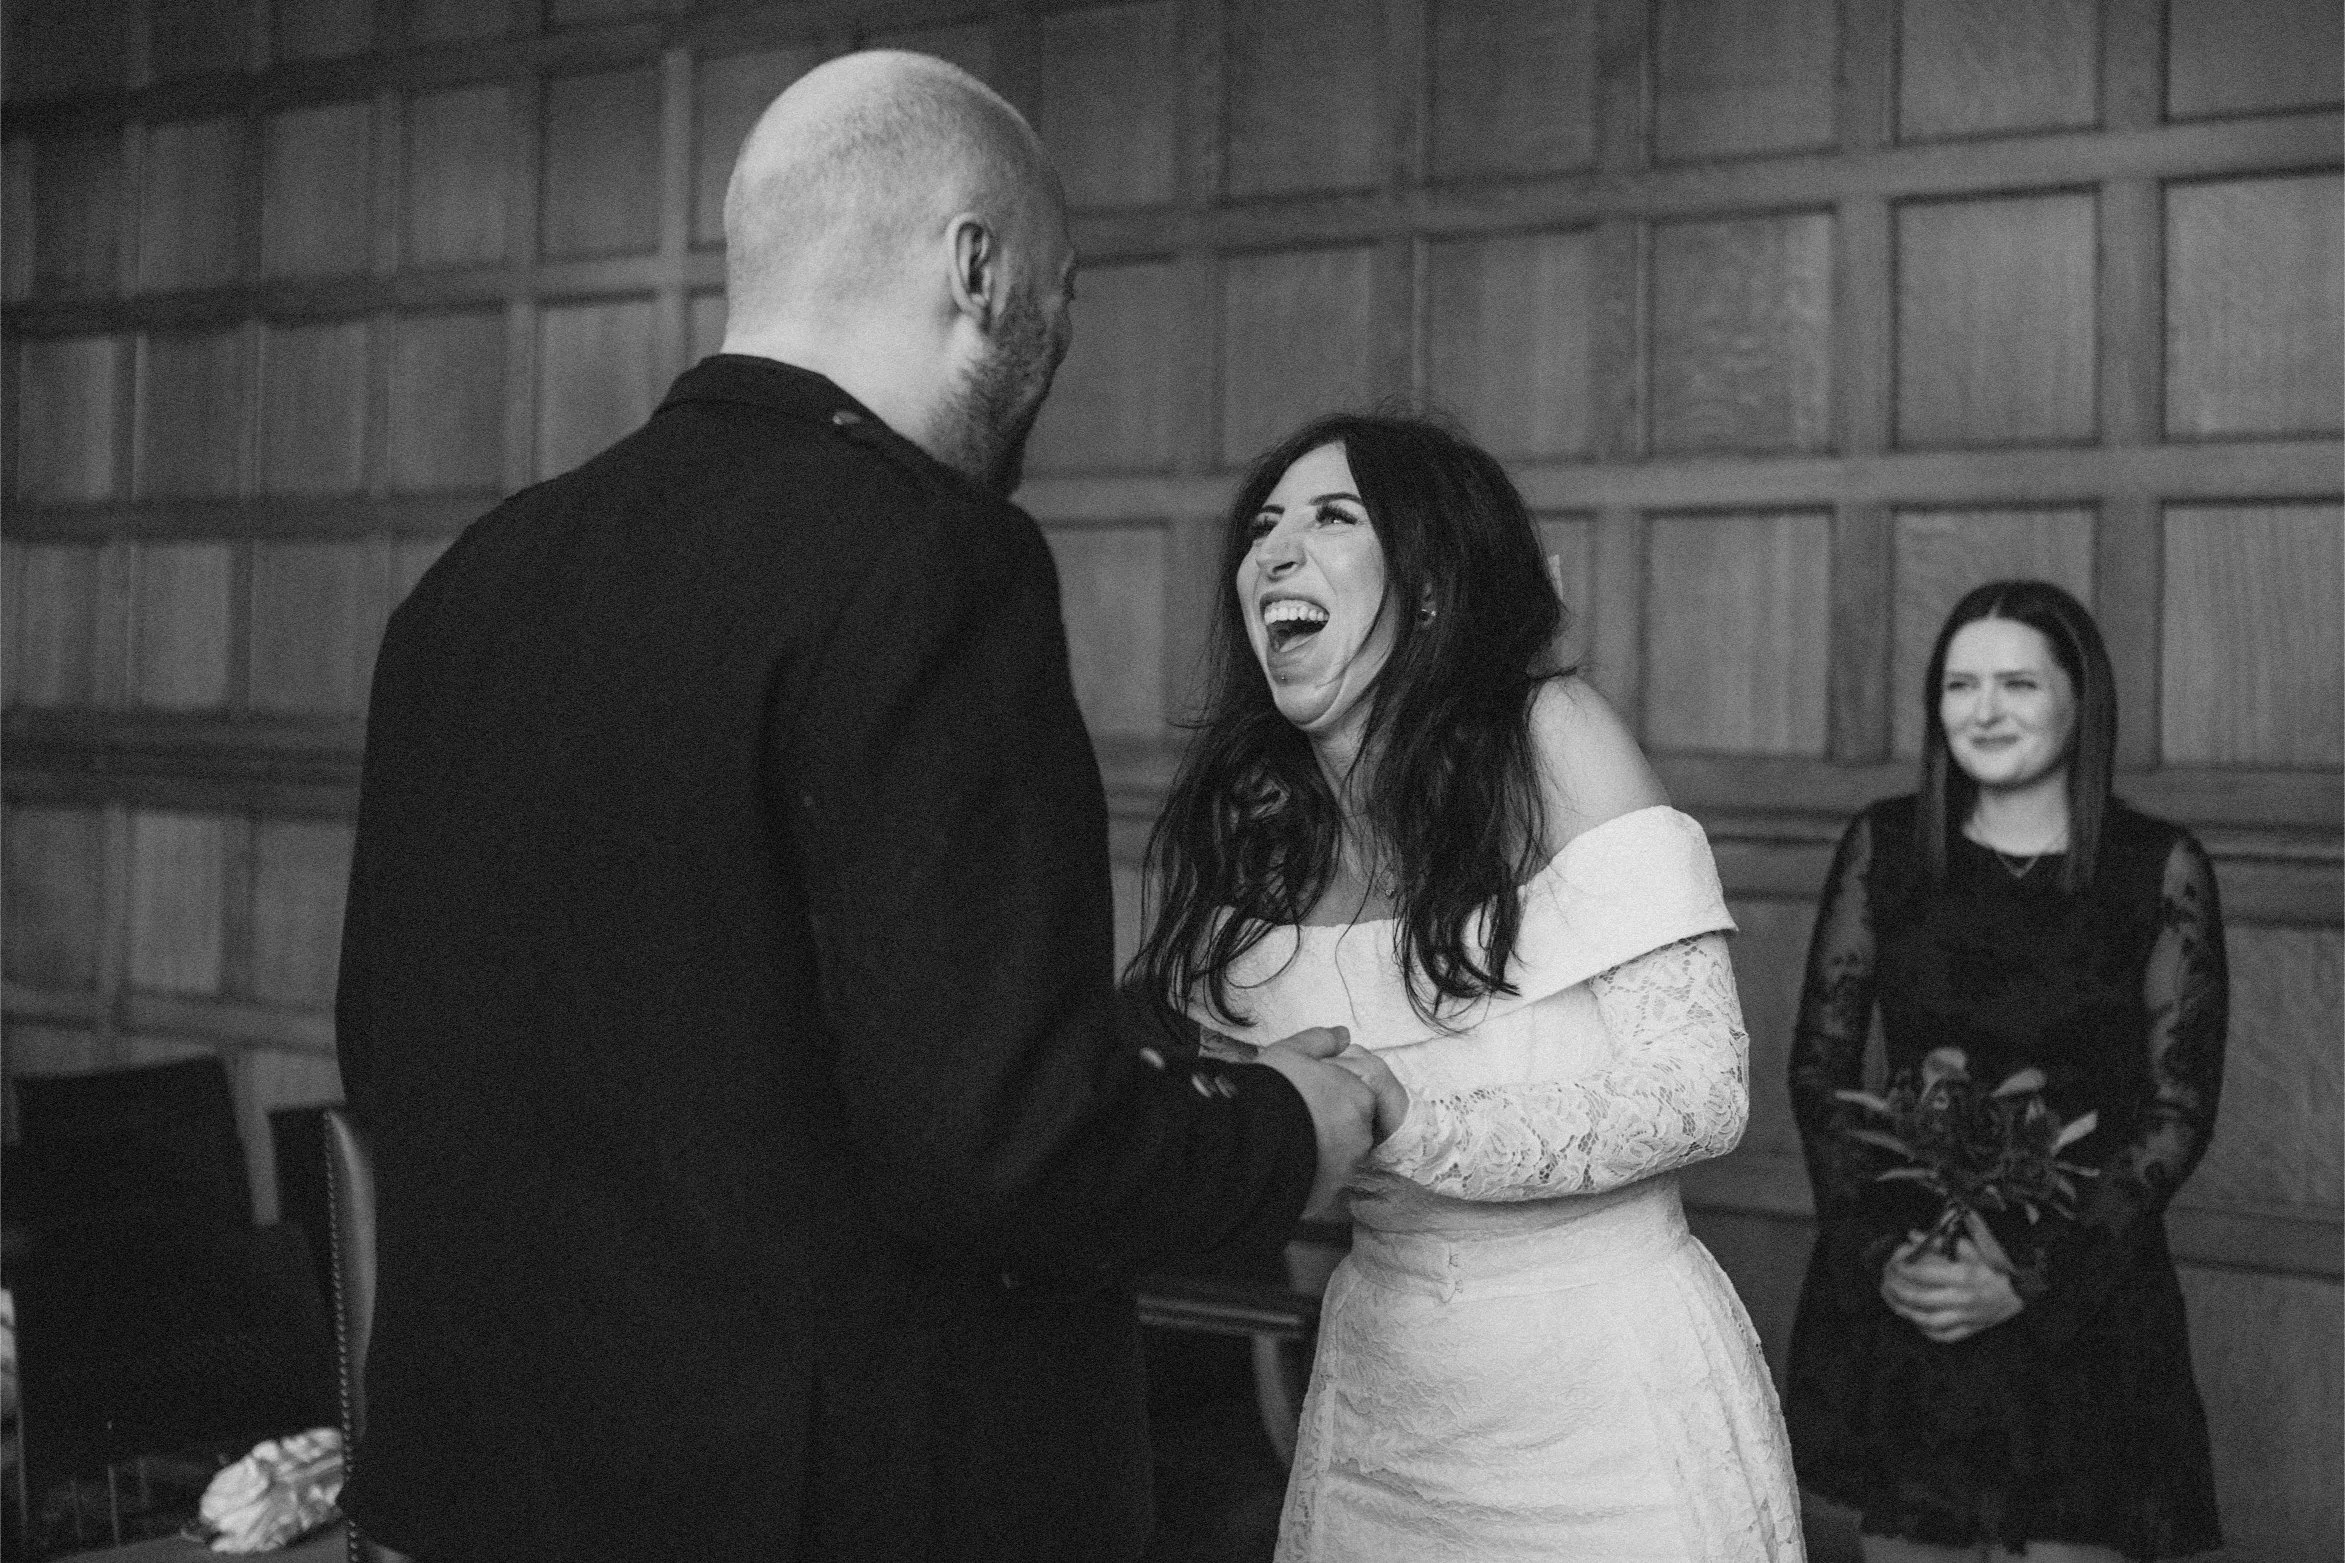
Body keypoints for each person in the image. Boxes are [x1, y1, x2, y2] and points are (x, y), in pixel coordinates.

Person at [333, 52, 1378, 1563]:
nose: (1060, 338)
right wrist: (1285, 1126)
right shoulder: (928, 558)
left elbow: (414, 1039)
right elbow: (994, 1143)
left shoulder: (473, 578)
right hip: (828, 1505)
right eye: (1061, 291)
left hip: (488, 1490)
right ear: (978, 265)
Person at [1129, 412, 1806, 1561]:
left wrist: (1405, 1119)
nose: (1272, 553)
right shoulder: (1256, 828)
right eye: (1262, 527)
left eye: (1332, 518)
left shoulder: (1555, 737)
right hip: (1388, 1419)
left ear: (1434, 585)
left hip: (1607, 1417)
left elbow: (1700, 1092)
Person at [1783, 580, 2227, 1562]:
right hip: (1915, 1288)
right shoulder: (1887, 845)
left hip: (2082, 1297)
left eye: (2016, 683)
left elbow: (2177, 1105)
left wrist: (2031, 1276)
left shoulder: (2154, 866)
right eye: (1957, 685)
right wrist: (1881, 1258)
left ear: (2080, 699)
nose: (1980, 710)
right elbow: (1818, 1067)